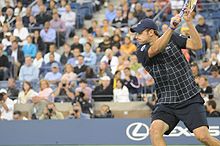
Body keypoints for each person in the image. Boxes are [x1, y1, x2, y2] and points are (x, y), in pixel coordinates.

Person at [131, 8, 220, 145]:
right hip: (166, 101)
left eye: (139, 33)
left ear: (150, 32)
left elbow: (197, 45)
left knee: (203, 137)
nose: (136, 36)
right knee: (155, 131)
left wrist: (189, 23)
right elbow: (156, 49)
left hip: (189, 97)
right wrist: (172, 27)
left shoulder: (172, 37)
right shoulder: (141, 50)